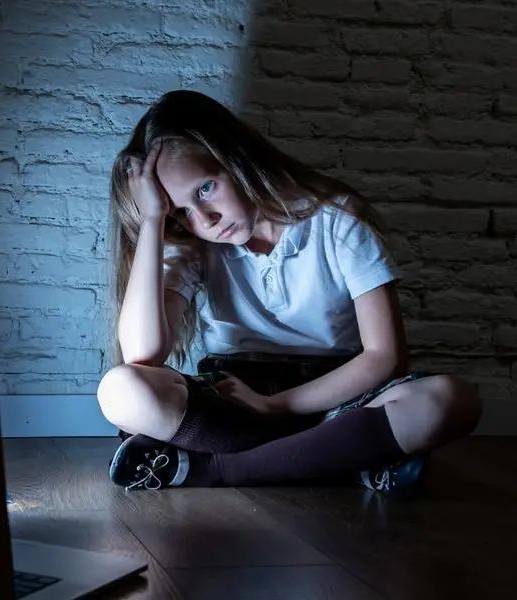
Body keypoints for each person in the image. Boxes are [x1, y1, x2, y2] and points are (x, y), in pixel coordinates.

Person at [99, 90, 483, 495]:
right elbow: (144, 355)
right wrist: (154, 223)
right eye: (181, 212)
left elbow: (386, 356)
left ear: (237, 159)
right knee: (121, 391)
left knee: (452, 401)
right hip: (237, 399)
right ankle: (342, 459)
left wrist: (278, 405)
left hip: (336, 396)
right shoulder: (195, 245)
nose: (205, 219)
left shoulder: (336, 222)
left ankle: (211, 469)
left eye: (206, 189)